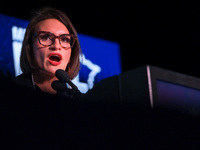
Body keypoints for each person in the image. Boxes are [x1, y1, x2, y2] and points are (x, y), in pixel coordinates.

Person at [15, 7, 82, 97]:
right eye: (46, 37)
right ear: (30, 48)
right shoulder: (10, 91)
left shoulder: (76, 100)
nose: (56, 46)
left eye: (65, 39)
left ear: (71, 55)